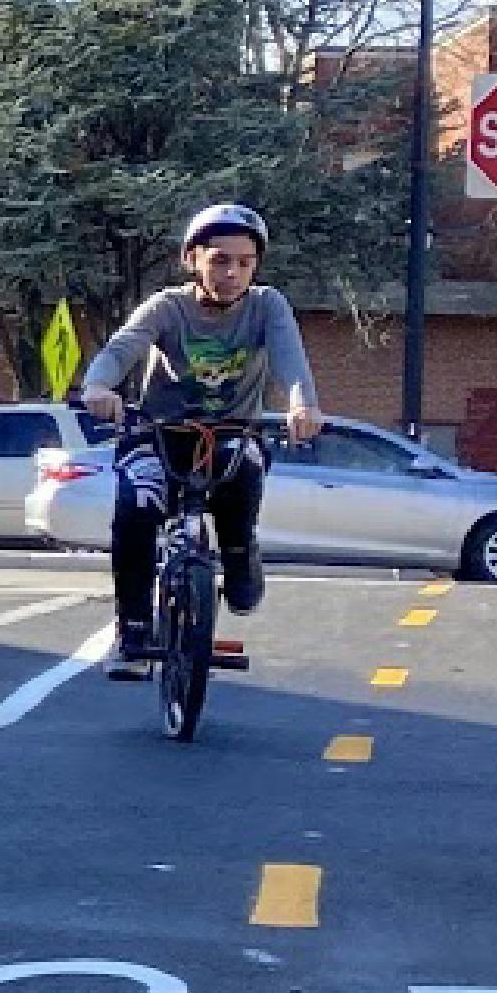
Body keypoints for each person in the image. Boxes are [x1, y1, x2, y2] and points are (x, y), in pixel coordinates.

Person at [72, 201, 321, 676]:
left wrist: (301, 405)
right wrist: (99, 388)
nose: (232, 273)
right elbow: (122, 347)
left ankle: (240, 558)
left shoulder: (267, 305)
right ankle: (134, 630)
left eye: (244, 263)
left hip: (233, 430)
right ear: (193, 260)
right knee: (137, 509)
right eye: (220, 260)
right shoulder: (169, 308)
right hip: (157, 433)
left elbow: (291, 360)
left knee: (244, 474)